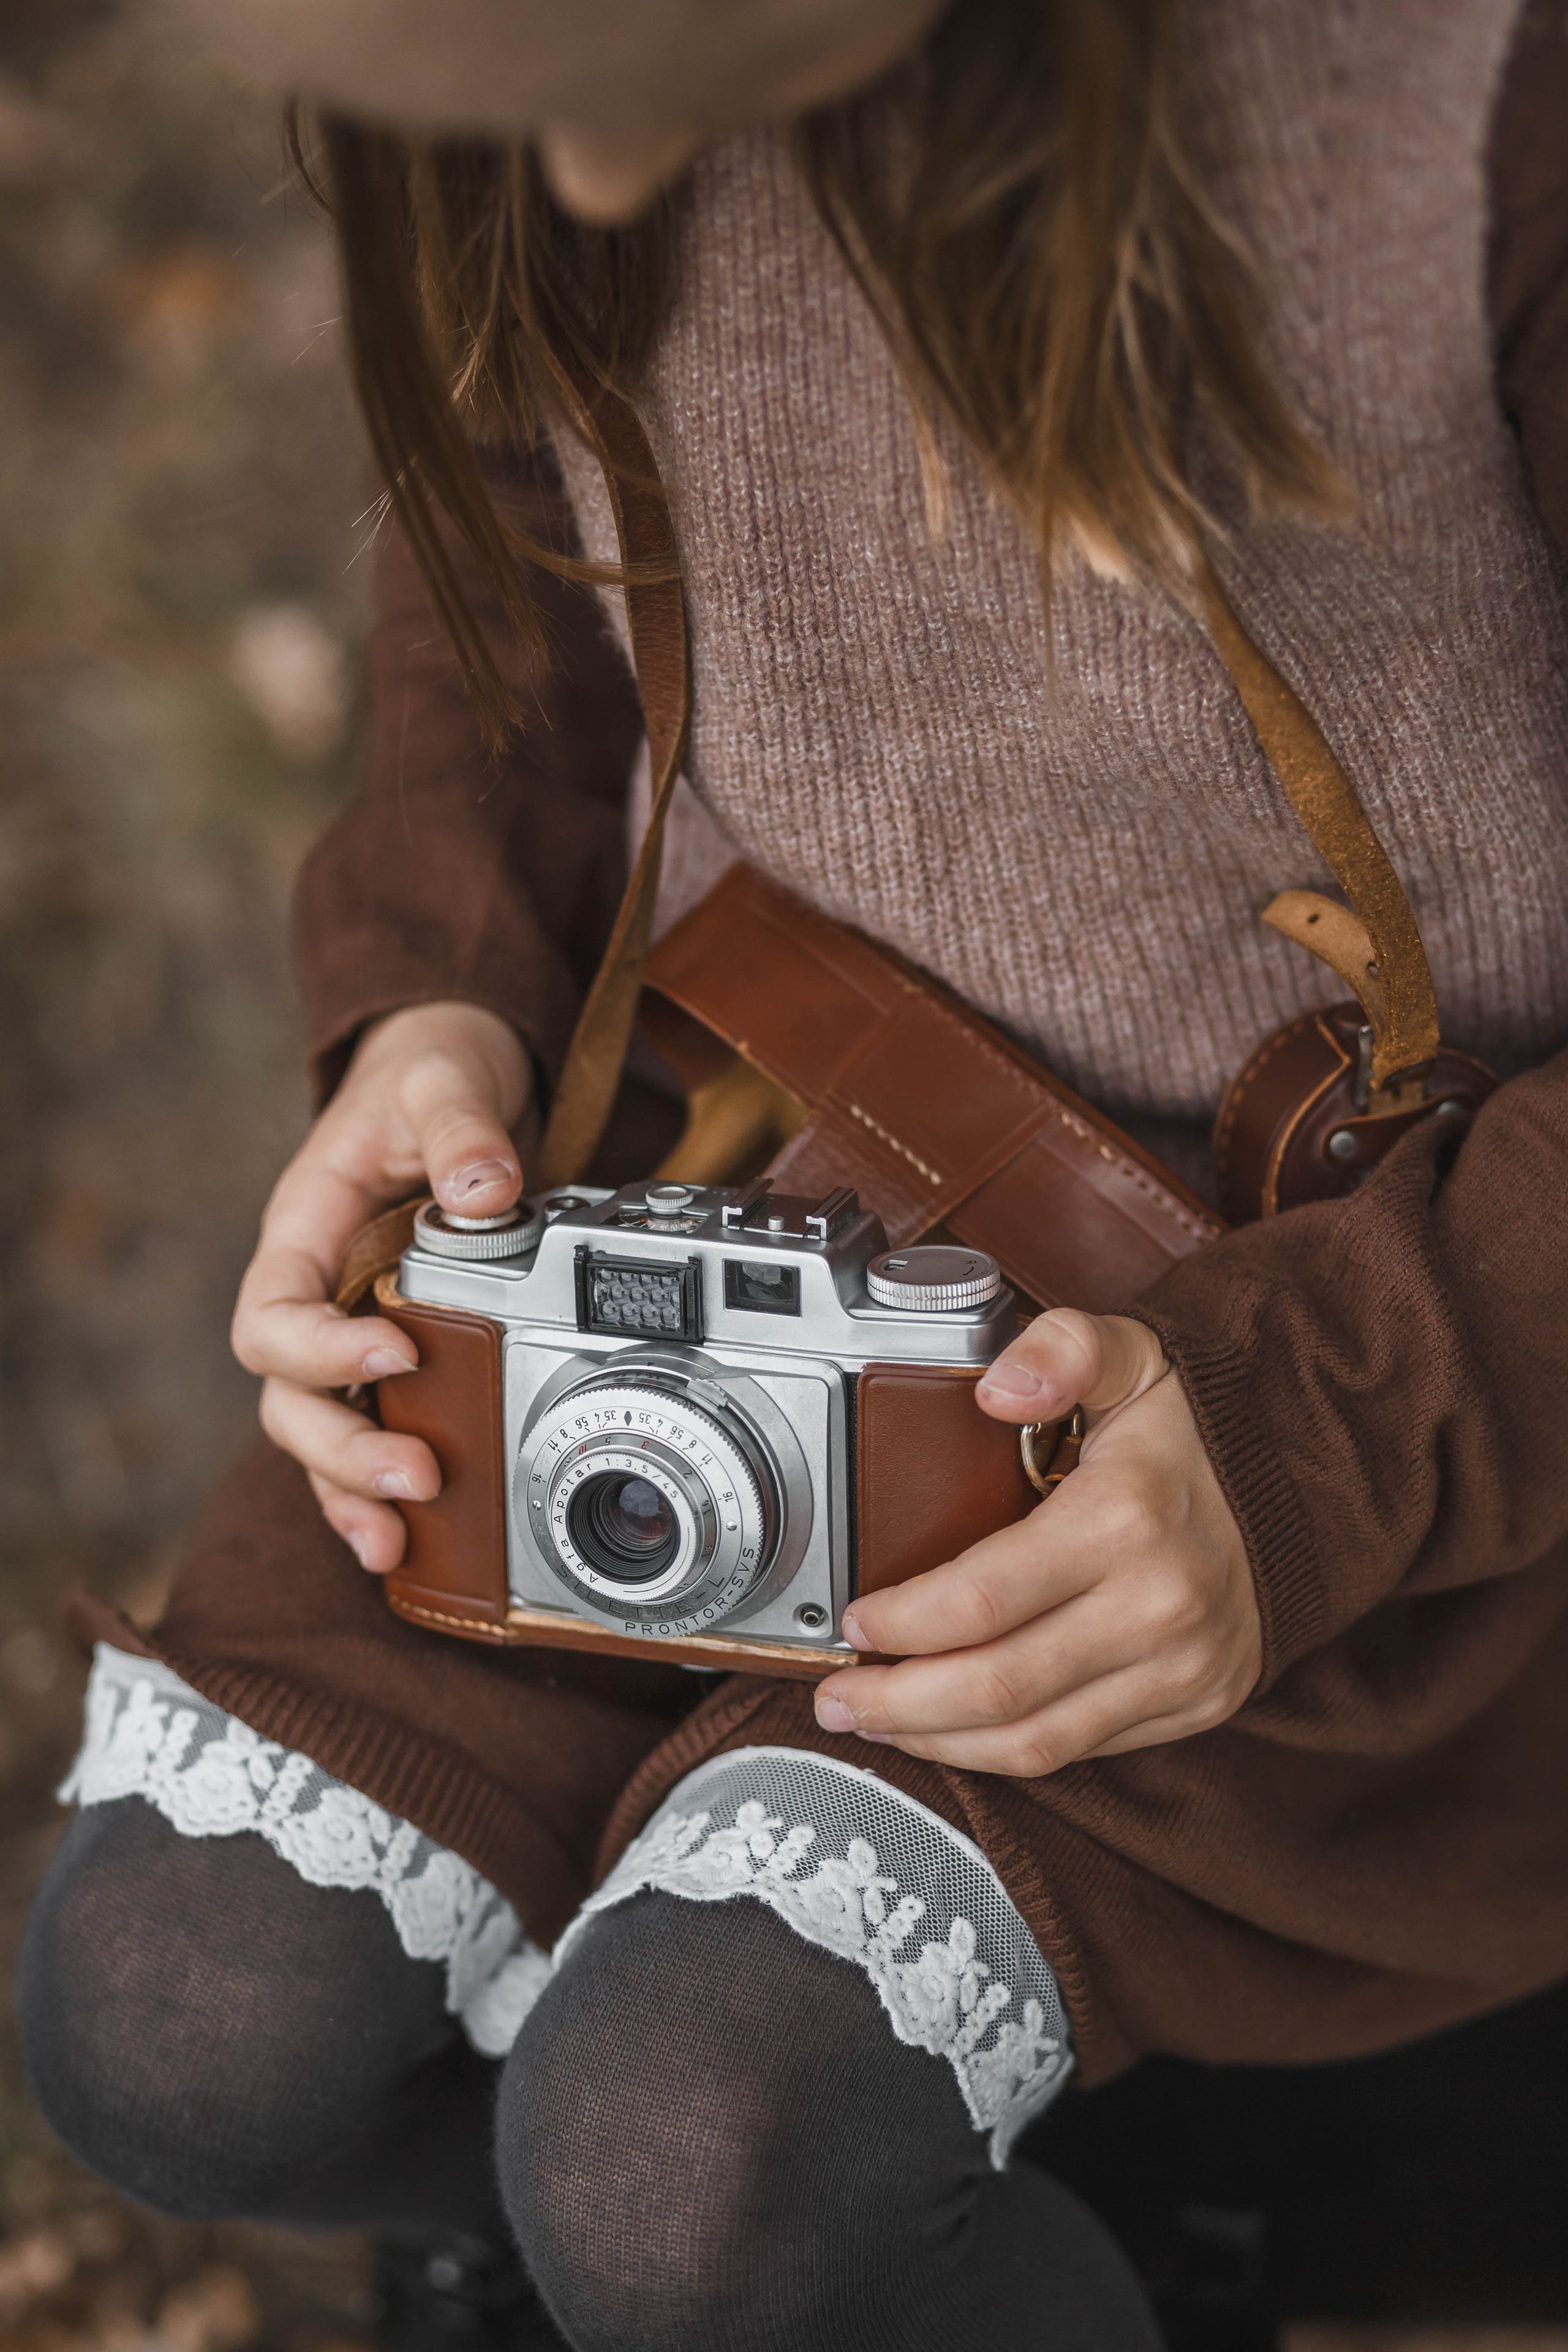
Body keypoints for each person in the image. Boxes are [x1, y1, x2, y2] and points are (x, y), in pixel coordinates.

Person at [18, 0, 1568, 2345]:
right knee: (179, 2020)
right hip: (733, 1128)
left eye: (645, 91)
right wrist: (450, 996)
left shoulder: (1473, 100)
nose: (596, 191)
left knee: (699, 2169)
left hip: (1381, 1317)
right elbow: (512, 549)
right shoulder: (502, 77)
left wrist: (1318, 1428)